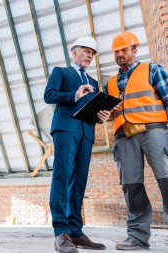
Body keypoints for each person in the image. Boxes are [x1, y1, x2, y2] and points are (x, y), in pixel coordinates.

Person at [106, 31, 168, 252]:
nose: (120, 54)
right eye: (116, 51)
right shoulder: (111, 83)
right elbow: (109, 112)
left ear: (134, 49)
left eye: (124, 49)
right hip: (124, 137)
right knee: (132, 187)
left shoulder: (152, 70)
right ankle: (137, 237)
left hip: (154, 131)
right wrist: (105, 114)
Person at [44, 36, 110, 253]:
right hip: (65, 129)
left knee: (79, 182)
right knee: (62, 177)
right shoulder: (61, 73)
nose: (90, 55)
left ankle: (75, 231)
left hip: (86, 132)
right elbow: (49, 96)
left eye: (93, 53)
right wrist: (74, 94)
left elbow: (91, 111)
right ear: (74, 51)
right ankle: (60, 232)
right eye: (86, 51)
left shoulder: (93, 82)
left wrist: (100, 116)